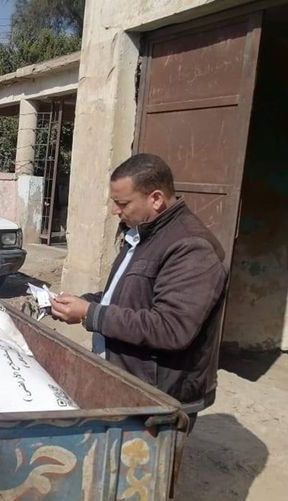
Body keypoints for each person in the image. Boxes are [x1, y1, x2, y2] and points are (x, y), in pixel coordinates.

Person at [51, 153, 227, 427]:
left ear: (155, 199)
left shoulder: (191, 247)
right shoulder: (142, 234)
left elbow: (171, 328)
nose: (115, 211)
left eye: (122, 203)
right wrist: (83, 302)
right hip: (129, 383)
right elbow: (127, 296)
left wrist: (91, 313)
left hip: (159, 397)